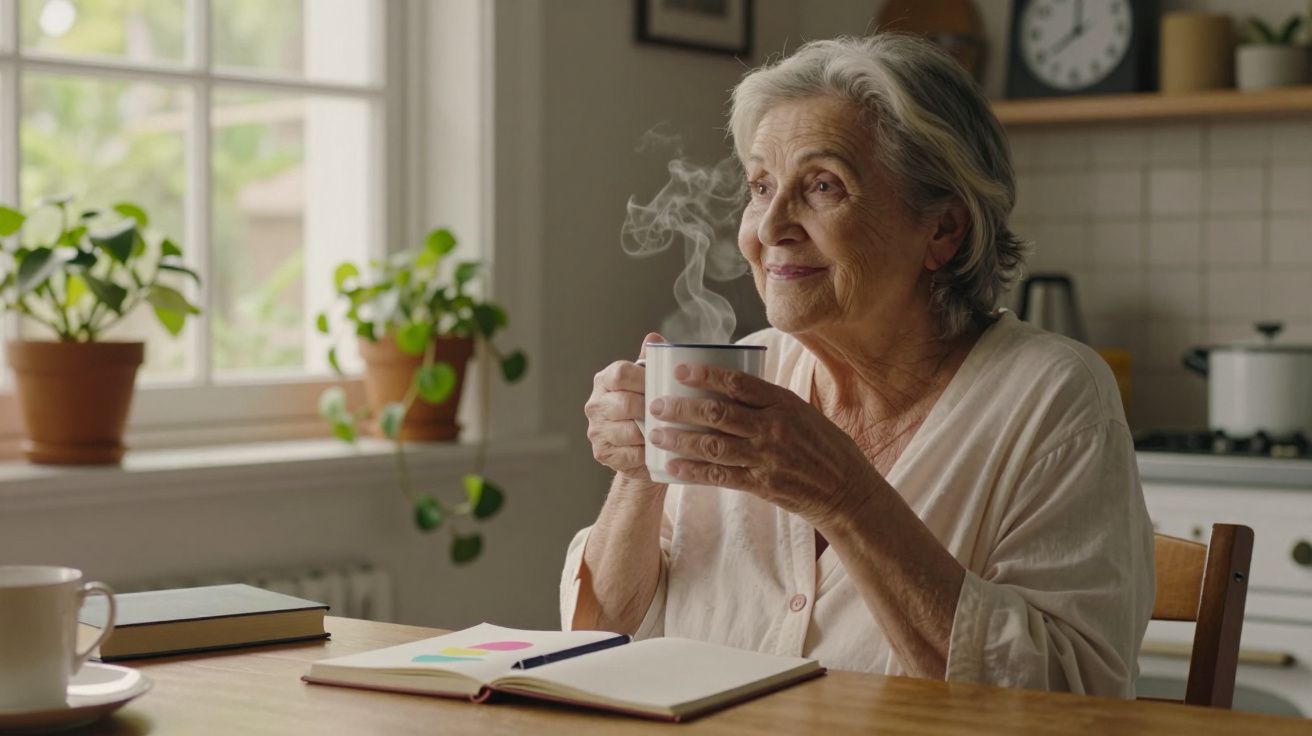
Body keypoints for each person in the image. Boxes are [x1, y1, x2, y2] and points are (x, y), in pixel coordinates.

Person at [564, 34, 1154, 698]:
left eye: (822, 185)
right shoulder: (738, 378)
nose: (770, 225)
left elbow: (1072, 699)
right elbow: (600, 638)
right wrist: (636, 475)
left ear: (942, 230)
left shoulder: (1052, 397)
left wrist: (845, 497)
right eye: (761, 185)